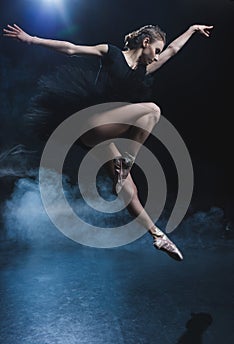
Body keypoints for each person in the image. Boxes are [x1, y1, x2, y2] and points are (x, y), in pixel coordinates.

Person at [3, 22, 213, 261]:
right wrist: (32, 39)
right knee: (152, 110)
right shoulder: (111, 53)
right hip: (88, 121)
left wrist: (192, 30)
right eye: (156, 50)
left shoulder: (144, 70)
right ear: (145, 42)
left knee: (128, 189)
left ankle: (156, 235)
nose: (157, 57)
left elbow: (173, 51)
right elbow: (71, 48)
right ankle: (128, 161)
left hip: (100, 136)